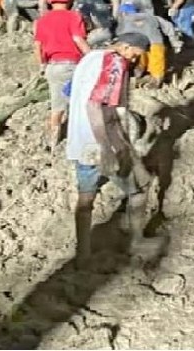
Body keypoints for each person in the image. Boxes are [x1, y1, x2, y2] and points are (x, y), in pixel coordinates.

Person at [65, 33, 153, 268]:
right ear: (125, 47)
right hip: (104, 142)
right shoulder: (115, 62)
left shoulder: (90, 57)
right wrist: (107, 148)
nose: (134, 60)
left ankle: (83, 253)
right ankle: (136, 240)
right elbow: (95, 105)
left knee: (86, 198)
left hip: (80, 141)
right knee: (140, 188)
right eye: (134, 54)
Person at [33, 0, 91, 151]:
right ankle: (80, 138)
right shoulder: (73, 16)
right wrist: (92, 57)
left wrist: (42, 65)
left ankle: (53, 142)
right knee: (80, 102)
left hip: (53, 66)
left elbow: (37, 46)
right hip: (72, 65)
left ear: (51, 1)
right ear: (69, 0)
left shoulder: (43, 20)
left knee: (57, 106)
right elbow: (78, 39)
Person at [116, 3, 183, 88]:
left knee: (156, 53)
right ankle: (141, 70)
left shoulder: (145, 23)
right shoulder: (127, 24)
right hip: (145, 34)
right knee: (143, 51)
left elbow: (167, 32)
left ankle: (155, 77)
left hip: (160, 35)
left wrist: (174, 42)